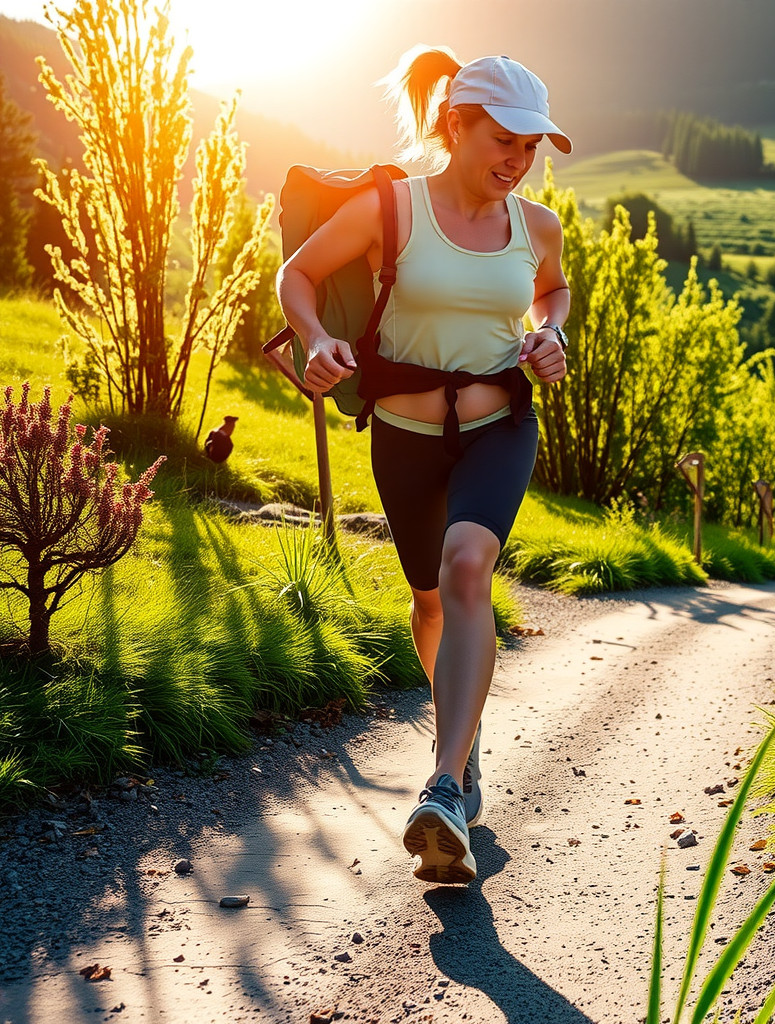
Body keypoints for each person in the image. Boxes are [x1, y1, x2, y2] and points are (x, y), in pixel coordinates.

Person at [276, 46, 571, 884]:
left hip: (499, 425)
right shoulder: (390, 208)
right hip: (402, 434)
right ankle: (464, 749)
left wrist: (550, 335)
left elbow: (553, 290)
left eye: (532, 147)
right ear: (456, 125)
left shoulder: (536, 226)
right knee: (431, 600)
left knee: (469, 562)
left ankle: (443, 785)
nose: (517, 161)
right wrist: (318, 339)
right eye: (503, 141)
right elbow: (298, 275)